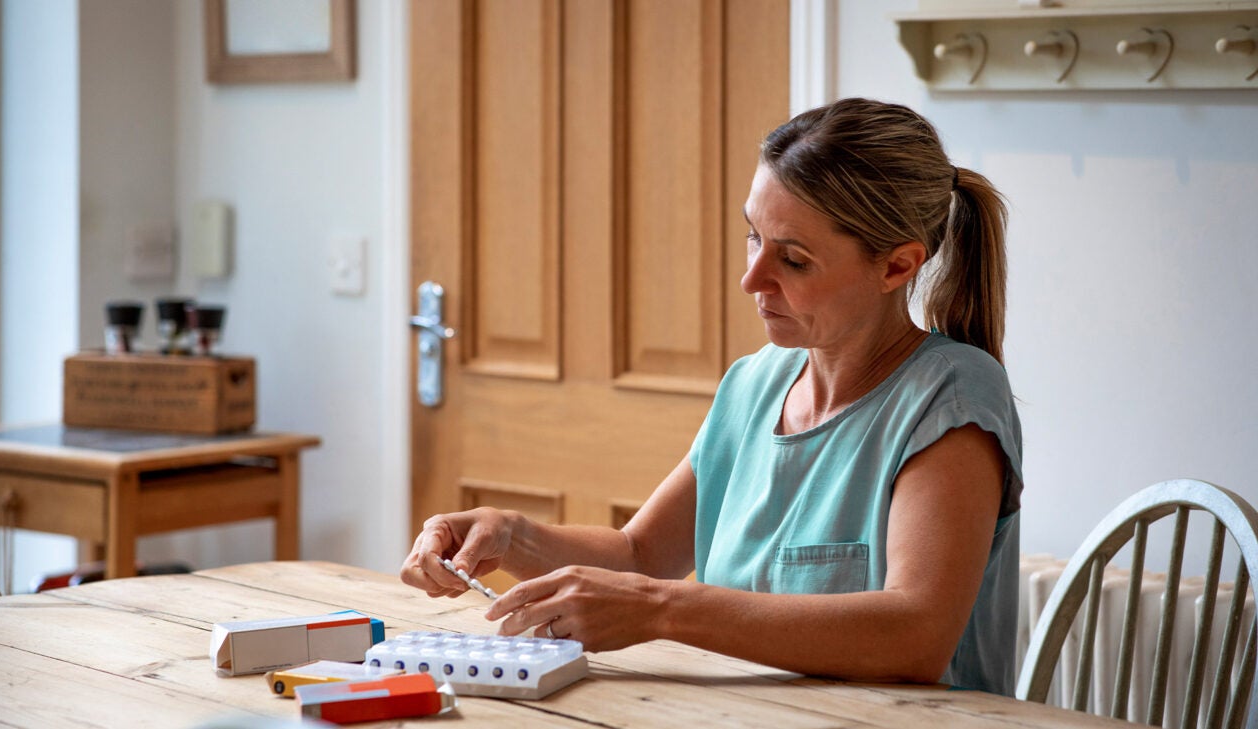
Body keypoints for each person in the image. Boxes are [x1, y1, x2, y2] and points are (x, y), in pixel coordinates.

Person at [401, 97, 1023, 695]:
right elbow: (642, 554)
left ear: (897, 267)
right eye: (753, 236)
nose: (750, 279)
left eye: (795, 260)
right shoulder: (754, 384)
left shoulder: (952, 396)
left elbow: (915, 636)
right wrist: (511, 537)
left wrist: (663, 610)